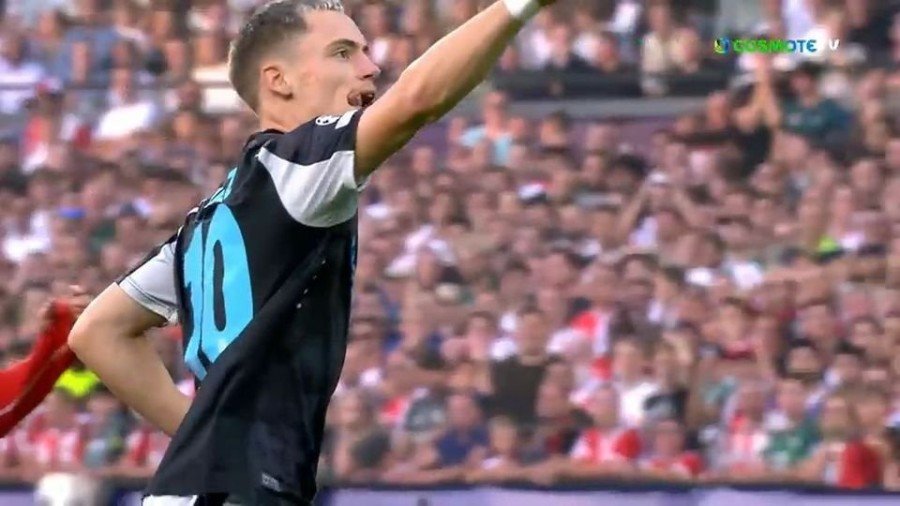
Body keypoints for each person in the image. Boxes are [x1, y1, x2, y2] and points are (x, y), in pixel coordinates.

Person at [66, 0, 561, 505]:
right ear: (279, 81)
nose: (371, 67)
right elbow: (416, 101)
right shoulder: (297, 167)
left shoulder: (214, 214)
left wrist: (210, 443)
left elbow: (98, 331)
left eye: (365, 51)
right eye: (343, 53)